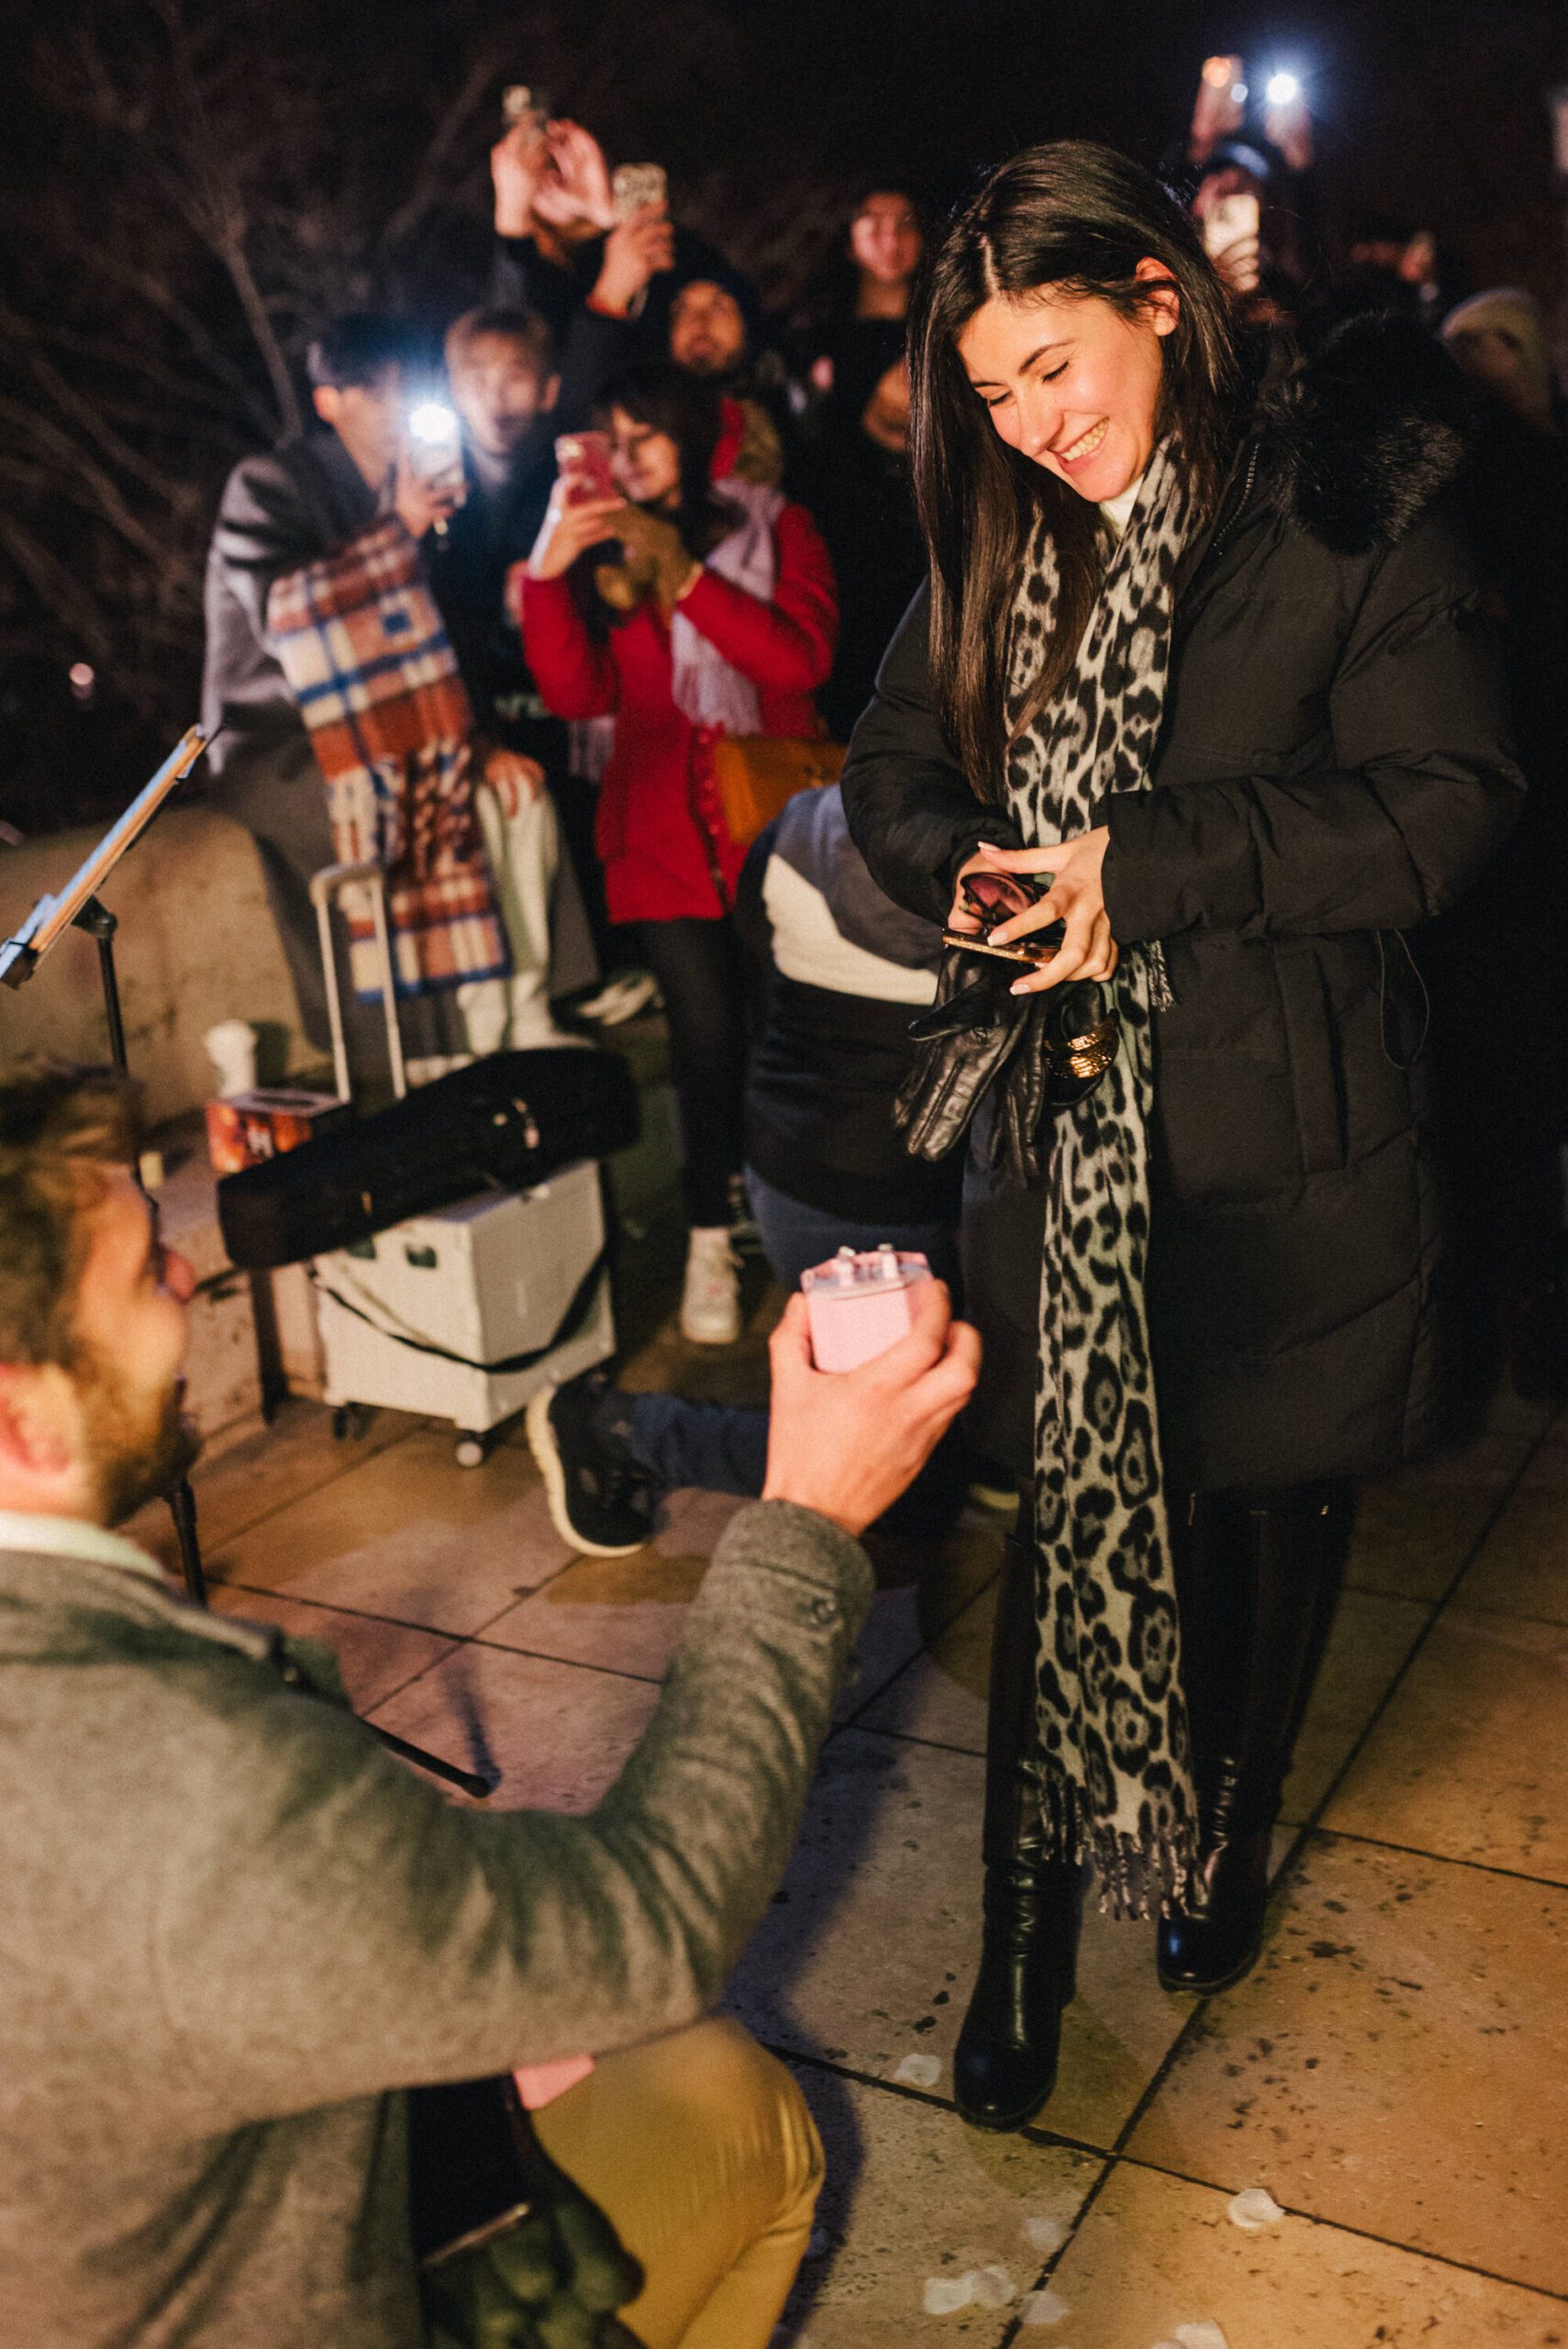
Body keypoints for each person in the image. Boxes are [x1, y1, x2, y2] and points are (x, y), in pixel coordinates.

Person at [840, 140, 1522, 2134]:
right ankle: (1027, 1937)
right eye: (988, 393)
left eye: (1055, 365)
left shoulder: (1341, 500)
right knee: (1069, 1527)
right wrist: (976, 875)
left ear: (1158, 298)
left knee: (1271, 1495)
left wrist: (1139, 867)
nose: (1031, 426)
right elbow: (891, 762)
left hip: (1290, 1119)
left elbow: (1445, 799)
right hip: (1058, 1146)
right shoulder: (998, 537)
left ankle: (1218, 1832)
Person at [0, 1063, 979, 2347]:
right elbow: (655, 1920)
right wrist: (806, 1519)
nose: (190, 1282)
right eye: (142, 1275)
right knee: (730, 2098)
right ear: (20, 1425)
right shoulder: (160, 1775)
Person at [526, 779, 963, 1553]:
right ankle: (621, 1430)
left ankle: (980, 1454)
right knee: (889, 1471)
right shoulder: (993, 868)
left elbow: (757, 981)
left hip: (801, 1156)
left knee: (938, 1419)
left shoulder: (798, 822)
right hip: (862, 1189)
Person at [516, 364, 838, 1346]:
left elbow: (799, 661)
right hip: (657, 836)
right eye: (612, 439)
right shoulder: (605, 558)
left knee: (794, 1038)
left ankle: (809, 1242)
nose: (629, 457)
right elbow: (578, 696)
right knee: (704, 1041)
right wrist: (544, 571)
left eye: (646, 434)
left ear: (694, 438)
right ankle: (710, 1235)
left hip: (773, 826)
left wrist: (685, 574)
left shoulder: (774, 526)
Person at [201, 315, 555, 1073]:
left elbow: (446, 636)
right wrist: (396, 530)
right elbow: (286, 616)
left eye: (406, 391)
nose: (396, 409)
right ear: (330, 401)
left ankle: (522, 1007)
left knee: (517, 795)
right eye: (376, 393)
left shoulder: (422, 487)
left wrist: (479, 739)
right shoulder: (268, 486)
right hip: (280, 740)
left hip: (403, 725)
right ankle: (431, 1050)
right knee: (401, 809)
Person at [803, 188, 929, 738]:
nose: (890, 239)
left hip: (924, 532)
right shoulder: (816, 341)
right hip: (844, 534)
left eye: (905, 224)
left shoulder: (944, 331)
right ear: (848, 238)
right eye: (873, 223)